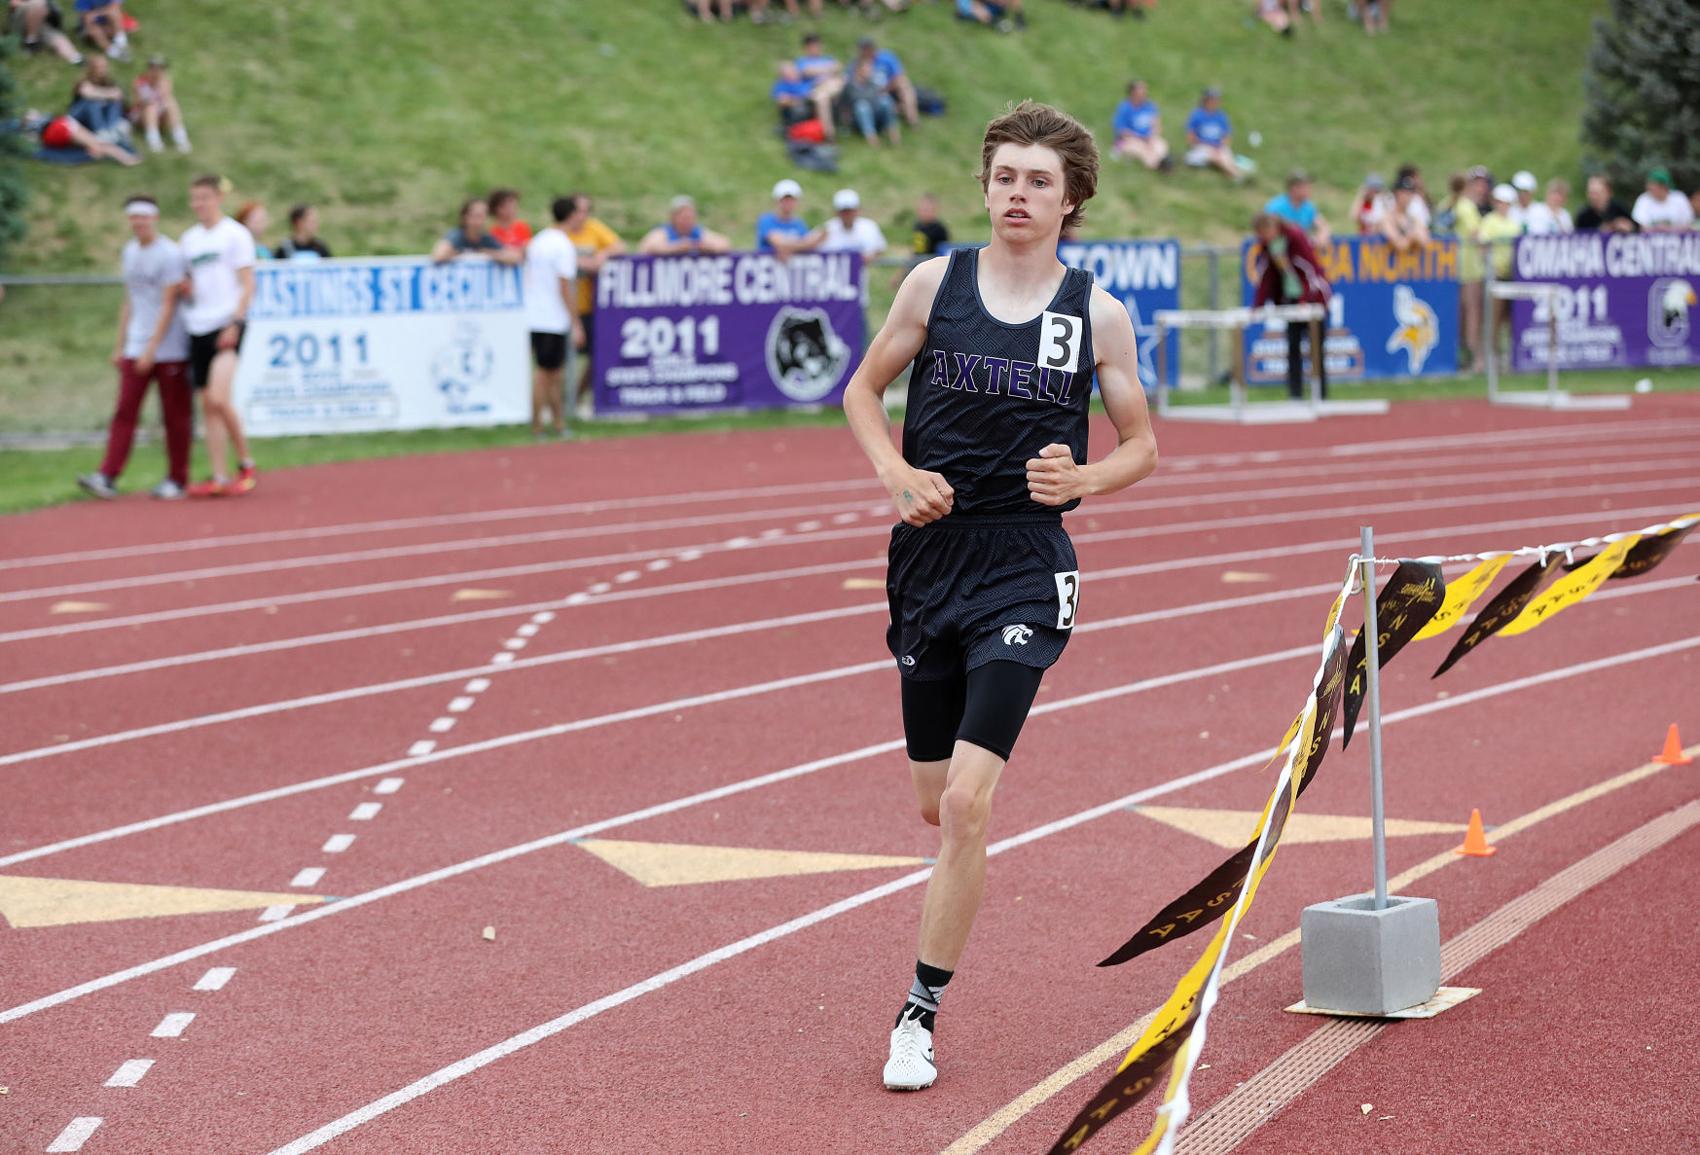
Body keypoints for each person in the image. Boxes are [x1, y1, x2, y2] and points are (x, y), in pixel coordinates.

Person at [840, 101, 1156, 1094]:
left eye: (1037, 183)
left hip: (1025, 563)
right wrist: (893, 471)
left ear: (1071, 204)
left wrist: (1083, 482)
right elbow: (859, 391)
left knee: (971, 804)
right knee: (934, 804)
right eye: (1005, 177)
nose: (1017, 195)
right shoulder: (933, 284)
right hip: (928, 560)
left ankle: (917, 1015)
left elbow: (1142, 446)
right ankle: (947, 880)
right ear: (984, 186)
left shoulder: (1093, 312)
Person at [78, 195, 192, 500]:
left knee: (174, 416)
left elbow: (168, 304)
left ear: (154, 218)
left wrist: (152, 349)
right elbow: (130, 300)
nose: (138, 222)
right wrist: (121, 345)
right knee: (124, 410)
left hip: (169, 349)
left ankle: (177, 478)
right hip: (136, 344)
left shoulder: (169, 254)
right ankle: (107, 475)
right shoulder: (129, 252)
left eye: (144, 216)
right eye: (133, 217)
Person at [180, 174, 258, 496]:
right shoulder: (189, 239)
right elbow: (191, 283)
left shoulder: (235, 235)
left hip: (227, 324)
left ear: (217, 199)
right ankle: (219, 475)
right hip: (197, 325)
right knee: (207, 406)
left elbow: (248, 284)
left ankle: (246, 463)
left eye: (205, 197)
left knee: (218, 397)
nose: (199, 204)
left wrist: (235, 322)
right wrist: (188, 291)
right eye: (195, 198)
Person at [523, 197, 586, 439]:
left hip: (536, 314)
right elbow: (564, 286)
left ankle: (556, 423)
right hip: (551, 316)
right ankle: (542, 425)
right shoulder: (562, 245)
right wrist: (575, 321)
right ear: (571, 216)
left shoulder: (539, 240)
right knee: (546, 374)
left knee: (550, 373)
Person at [1250, 211, 1331, 400]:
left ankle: (1320, 395)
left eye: (1264, 233)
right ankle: (1295, 394)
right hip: (1290, 299)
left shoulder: (1294, 237)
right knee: (1293, 346)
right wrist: (1258, 305)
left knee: (1316, 348)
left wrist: (1305, 299)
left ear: (1272, 228)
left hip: (1312, 297)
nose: (1263, 238)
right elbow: (1267, 278)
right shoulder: (1268, 246)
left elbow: (1309, 270)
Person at [564, 194, 625, 413]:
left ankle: (576, 396)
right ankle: (560, 401)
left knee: (595, 355)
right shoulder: (559, 233)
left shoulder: (594, 229)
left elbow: (619, 246)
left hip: (590, 305)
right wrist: (583, 263)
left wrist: (602, 255)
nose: (583, 216)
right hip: (565, 306)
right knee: (559, 359)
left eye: (586, 211)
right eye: (579, 211)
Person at [1479, 184, 1523, 369]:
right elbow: (1483, 246)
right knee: (1493, 318)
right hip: (1495, 276)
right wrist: (1491, 268)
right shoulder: (1490, 221)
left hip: (1511, 276)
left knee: (1511, 318)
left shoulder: (1514, 224)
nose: (1502, 206)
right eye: (1499, 202)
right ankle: (1492, 356)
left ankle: (1509, 355)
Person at [1453, 167, 1489, 371]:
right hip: (1469, 268)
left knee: (1468, 313)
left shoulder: (1462, 204)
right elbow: (1476, 234)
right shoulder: (1466, 206)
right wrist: (1487, 249)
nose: (1480, 187)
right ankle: (1475, 357)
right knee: (1472, 312)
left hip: (1467, 268)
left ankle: (1468, 355)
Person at [127, 54, 190, 153]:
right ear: (150, 68)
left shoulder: (165, 81)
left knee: (171, 103)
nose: (158, 72)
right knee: (151, 106)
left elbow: (166, 98)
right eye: (155, 68)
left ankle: (180, 138)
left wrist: (160, 88)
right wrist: (149, 100)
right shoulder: (139, 81)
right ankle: (154, 141)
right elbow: (136, 102)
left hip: (159, 116)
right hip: (141, 115)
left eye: (161, 68)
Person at [432, 198, 522, 265]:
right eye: (476, 216)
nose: (479, 221)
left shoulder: (485, 238)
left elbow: (514, 257)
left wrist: (488, 254)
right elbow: (438, 255)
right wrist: (461, 255)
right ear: (465, 217)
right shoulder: (456, 236)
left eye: (483, 216)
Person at [854, 37, 919, 128]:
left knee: (905, 85)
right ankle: (897, 111)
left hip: (889, 87)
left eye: (866, 48)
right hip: (871, 91)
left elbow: (899, 76)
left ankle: (912, 119)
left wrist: (886, 88)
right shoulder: (859, 62)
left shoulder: (886, 57)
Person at [638, 195, 732, 255]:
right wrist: (677, 248)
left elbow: (724, 243)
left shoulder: (697, 232)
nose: (687, 221)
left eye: (690, 217)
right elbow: (647, 246)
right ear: (673, 217)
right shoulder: (663, 232)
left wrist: (704, 247)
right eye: (683, 217)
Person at [795, 33, 845, 143]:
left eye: (818, 45)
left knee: (841, 83)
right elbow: (807, 71)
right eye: (813, 46)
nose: (816, 48)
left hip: (833, 86)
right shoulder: (802, 61)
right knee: (822, 98)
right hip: (815, 90)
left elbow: (839, 68)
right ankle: (829, 135)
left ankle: (836, 130)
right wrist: (829, 69)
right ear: (806, 48)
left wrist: (822, 70)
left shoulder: (827, 58)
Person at [1111, 80, 1169, 172]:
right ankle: (1157, 166)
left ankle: (1162, 161)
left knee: (1160, 145)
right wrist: (1140, 137)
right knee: (1142, 149)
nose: (1144, 94)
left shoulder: (1150, 106)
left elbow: (1157, 125)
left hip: (1148, 137)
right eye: (1141, 91)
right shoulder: (1124, 108)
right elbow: (1122, 131)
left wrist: (1151, 136)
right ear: (1132, 93)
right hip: (1131, 139)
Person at [1183, 87, 1239, 180]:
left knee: (1225, 156)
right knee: (1214, 156)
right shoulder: (1197, 115)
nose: (1214, 102)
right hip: (1202, 147)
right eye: (1212, 99)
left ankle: (1233, 173)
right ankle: (1235, 175)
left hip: (1218, 147)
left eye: (1216, 99)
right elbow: (1191, 138)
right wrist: (1207, 146)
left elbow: (1227, 137)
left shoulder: (1221, 117)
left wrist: (1220, 146)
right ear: (1205, 100)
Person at [756, 178, 823, 256]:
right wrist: (809, 243)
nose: (788, 203)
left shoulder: (799, 223)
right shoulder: (766, 220)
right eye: (785, 199)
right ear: (777, 200)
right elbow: (779, 243)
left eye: (792, 200)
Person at [845, 55, 901, 146]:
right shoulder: (850, 86)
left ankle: (893, 134)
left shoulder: (873, 84)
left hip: (875, 118)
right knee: (862, 106)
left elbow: (880, 97)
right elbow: (845, 104)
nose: (870, 71)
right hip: (858, 122)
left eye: (870, 68)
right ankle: (872, 139)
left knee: (885, 100)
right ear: (859, 70)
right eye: (867, 69)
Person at [1265, 169, 1330, 243]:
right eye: (1305, 186)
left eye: (1309, 186)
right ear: (1293, 188)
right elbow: (1267, 231)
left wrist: (1319, 239)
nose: (1309, 189)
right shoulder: (1276, 206)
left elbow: (1323, 226)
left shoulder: (1309, 207)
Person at [10, 0, 84, 64]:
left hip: (41, 22)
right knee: (38, 4)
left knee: (56, 37)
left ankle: (75, 58)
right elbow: (14, 4)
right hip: (20, 20)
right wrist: (34, 8)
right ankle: (31, 41)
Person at [821, 187, 886, 258]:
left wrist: (871, 256)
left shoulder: (869, 227)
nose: (847, 215)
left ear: (857, 210)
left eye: (850, 211)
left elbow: (880, 248)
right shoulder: (827, 228)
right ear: (836, 212)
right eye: (844, 211)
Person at [1631, 167, 1694, 233]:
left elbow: (1689, 224)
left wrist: (1670, 229)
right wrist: (1656, 229)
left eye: (1653, 184)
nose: (1648, 187)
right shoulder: (1643, 199)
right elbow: (1639, 225)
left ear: (1663, 186)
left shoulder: (1679, 198)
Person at [1378, 175, 1430, 253]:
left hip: (1408, 264)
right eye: (1404, 192)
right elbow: (1400, 245)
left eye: (1410, 193)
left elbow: (1425, 241)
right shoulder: (1388, 217)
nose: (1408, 196)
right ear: (1396, 193)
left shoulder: (1412, 217)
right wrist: (1413, 236)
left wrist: (1411, 238)